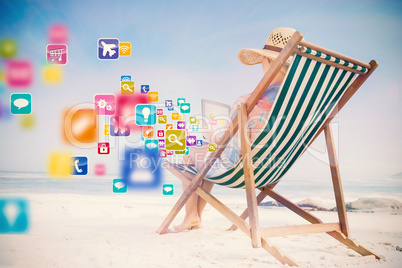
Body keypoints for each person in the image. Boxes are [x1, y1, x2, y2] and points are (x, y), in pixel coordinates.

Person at [173, 27, 297, 232]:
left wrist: (211, 135)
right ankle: (196, 217)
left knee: (193, 153)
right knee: (208, 154)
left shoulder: (249, 101)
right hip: (274, 167)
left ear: (268, 62)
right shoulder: (297, 102)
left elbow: (229, 145)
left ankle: (191, 216)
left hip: (245, 167)